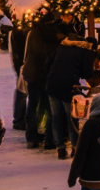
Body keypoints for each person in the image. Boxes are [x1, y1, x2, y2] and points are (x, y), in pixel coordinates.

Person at [45, 14, 99, 159]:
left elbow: (48, 62)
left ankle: (60, 148)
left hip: (52, 84)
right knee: (72, 118)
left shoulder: (63, 44)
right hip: (69, 86)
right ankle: (75, 147)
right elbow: (88, 73)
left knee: (56, 117)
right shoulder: (86, 50)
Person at [22, 12, 67, 150]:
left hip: (33, 73)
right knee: (49, 108)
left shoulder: (34, 33)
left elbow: (30, 52)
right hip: (47, 75)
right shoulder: (57, 35)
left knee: (33, 106)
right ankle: (50, 139)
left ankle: (32, 138)